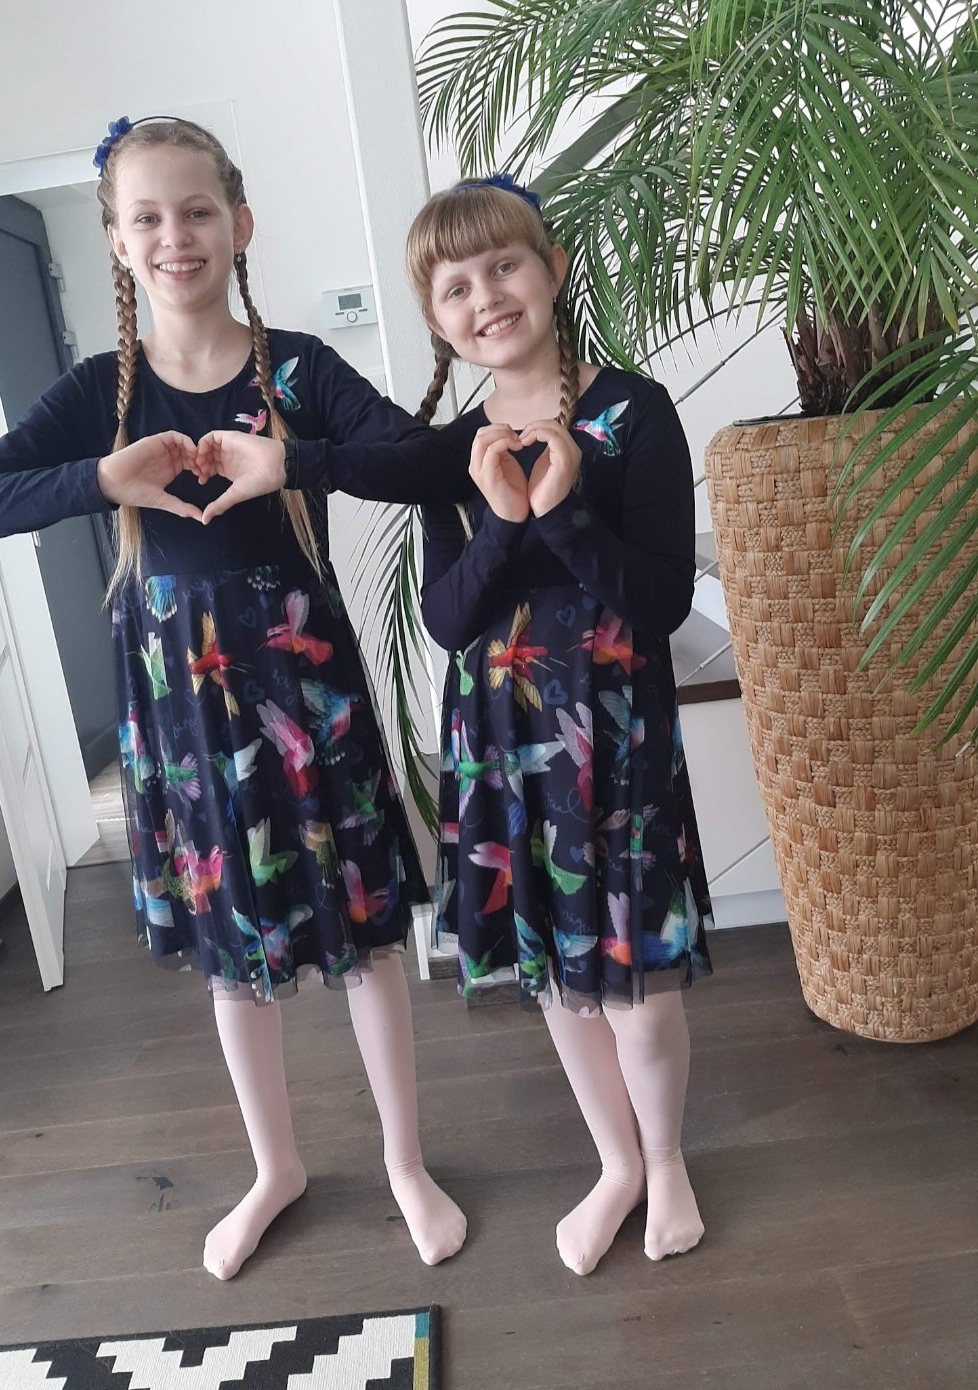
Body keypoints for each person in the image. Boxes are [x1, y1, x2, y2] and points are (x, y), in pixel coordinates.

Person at [0, 115, 469, 1280]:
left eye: (198, 210)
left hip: (308, 692)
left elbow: (428, 463)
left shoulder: (299, 370)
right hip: (183, 713)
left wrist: (298, 461)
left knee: (367, 935)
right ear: (118, 242)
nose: (176, 235)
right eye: (148, 217)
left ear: (240, 223)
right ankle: (274, 1168)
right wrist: (99, 478)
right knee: (235, 951)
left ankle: (405, 1159)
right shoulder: (98, 396)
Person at [403, 175, 714, 1272]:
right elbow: (448, 618)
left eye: (504, 266)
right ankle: (616, 1163)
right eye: (455, 286)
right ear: (436, 317)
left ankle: (666, 1159)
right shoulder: (452, 448)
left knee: (640, 990)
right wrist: (500, 522)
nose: (486, 297)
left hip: (617, 740)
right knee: (558, 974)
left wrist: (566, 508)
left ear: (552, 270)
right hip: (504, 744)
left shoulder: (635, 410)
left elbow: (660, 599)